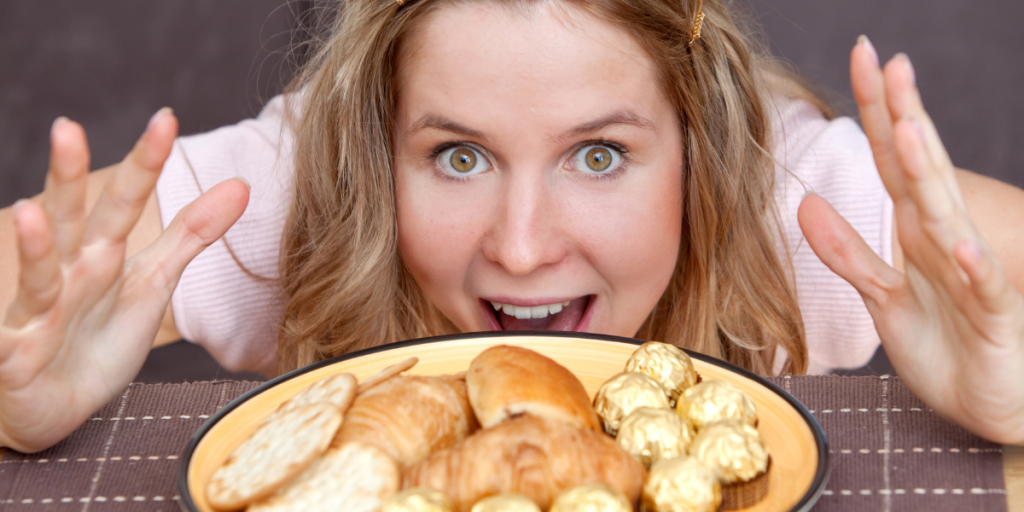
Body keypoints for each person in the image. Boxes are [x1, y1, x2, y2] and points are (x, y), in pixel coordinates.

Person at [1, 0, 1022, 454]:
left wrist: (1011, 392)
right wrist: (15, 404)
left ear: (699, 146)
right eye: (458, 155)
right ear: (375, 146)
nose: (522, 246)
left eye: (598, 154)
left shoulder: (798, 205)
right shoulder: (293, 186)